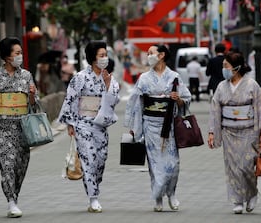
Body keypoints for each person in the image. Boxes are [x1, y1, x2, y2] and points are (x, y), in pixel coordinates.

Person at [124, 44, 191, 212]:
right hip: (150, 125)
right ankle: (158, 197)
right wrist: (134, 126)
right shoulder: (144, 78)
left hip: (168, 126)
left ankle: (172, 193)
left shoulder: (174, 76)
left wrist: (178, 99)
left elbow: (186, 98)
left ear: (161, 55)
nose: (148, 56)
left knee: (173, 164)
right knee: (155, 165)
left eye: (151, 53)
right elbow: (135, 101)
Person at [208, 51, 261, 214]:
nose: (223, 68)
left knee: (246, 167)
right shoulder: (221, 86)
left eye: (226, 65)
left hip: (248, 131)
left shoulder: (251, 85)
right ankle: (237, 200)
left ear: (236, 68)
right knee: (233, 168)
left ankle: (251, 193)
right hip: (229, 132)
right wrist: (212, 132)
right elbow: (215, 110)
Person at [0, 37, 39, 218]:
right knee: (7, 165)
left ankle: (15, 195)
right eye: (17, 53)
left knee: (21, 164)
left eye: (21, 53)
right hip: (3, 128)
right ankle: (11, 201)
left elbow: (34, 105)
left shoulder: (26, 75)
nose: (20, 56)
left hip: (23, 127)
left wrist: (32, 95)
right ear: (7, 56)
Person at [58, 40, 120, 213]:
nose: (104, 59)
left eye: (105, 55)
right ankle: (93, 198)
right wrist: (70, 123)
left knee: (101, 160)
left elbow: (115, 100)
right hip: (83, 124)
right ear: (92, 58)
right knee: (89, 160)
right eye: (101, 55)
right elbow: (70, 99)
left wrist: (108, 86)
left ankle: (95, 187)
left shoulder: (110, 78)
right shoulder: (80, 78)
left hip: (101, 126)